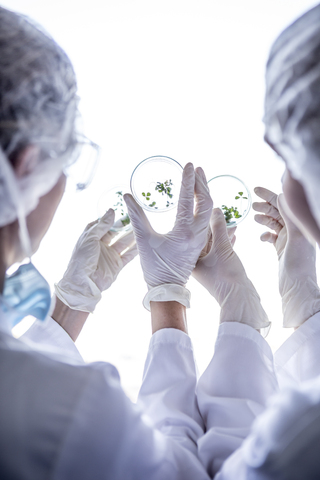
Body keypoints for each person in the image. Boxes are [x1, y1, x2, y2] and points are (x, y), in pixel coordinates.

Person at [0, 6, 216, 479]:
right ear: (25, 164)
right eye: (64, 163)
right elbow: (186, 467)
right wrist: (168, 294)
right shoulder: (74, 411)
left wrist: (69, 309)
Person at [185, 4, 320, 479]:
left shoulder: (307, 433)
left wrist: (234, 309)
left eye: (291, 158)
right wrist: (304, 299)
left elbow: (229, 467)